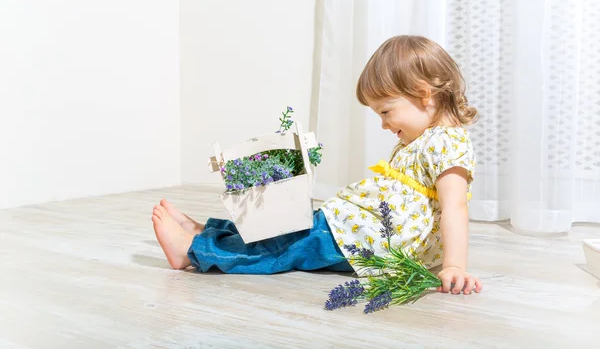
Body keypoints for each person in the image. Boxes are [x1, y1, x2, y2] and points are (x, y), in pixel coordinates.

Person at [152, 35, 483, 295]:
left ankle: (194, 252)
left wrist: (453, 264)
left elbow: (454, 207)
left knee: (284, 247)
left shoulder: (446, 142)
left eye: (385, 111)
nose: (383, 123)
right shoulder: (423, 139)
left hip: (363, 239)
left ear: (423, 93)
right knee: (284, 229)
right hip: (354, 229)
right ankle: (210, 233)